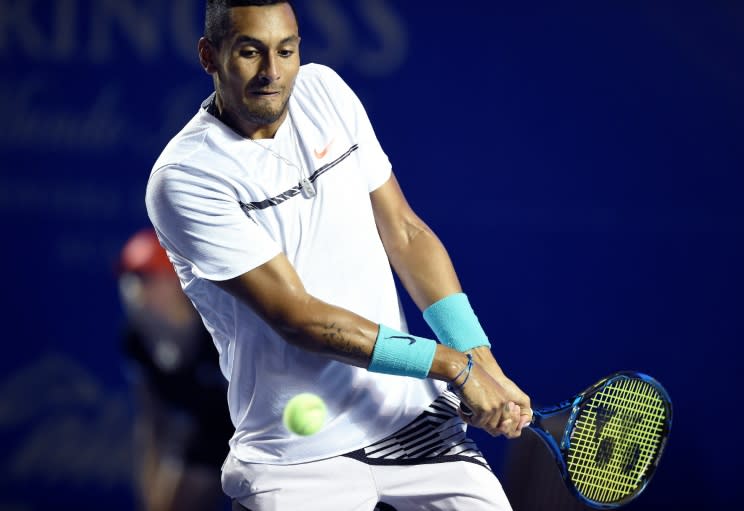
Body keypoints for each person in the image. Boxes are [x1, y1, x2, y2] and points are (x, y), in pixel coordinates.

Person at [145, 1, 532, 509]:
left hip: (414, 426)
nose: (272, 72)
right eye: (249, 52)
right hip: (296, 456)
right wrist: (454, 369)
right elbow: (299, 318)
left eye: (286, 51)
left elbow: (406, 232)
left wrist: (482, 360)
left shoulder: (324, 91)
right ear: (208, 56)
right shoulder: (186, 178)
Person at [117, 228, 233, 511]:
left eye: (149, 278)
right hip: (205, 436)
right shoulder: (137, 341)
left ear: (177, 278)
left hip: (257, 432)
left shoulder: (222, 324)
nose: (136, 291)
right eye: (133, 280)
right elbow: (152, 422)